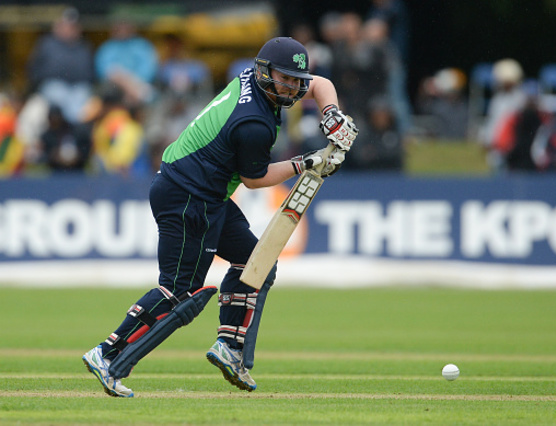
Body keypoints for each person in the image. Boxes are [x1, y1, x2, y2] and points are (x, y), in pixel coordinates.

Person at [81, 37, 358, 398]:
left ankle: (230, 346)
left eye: (295, 79)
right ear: (265, 72)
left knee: (256, 263)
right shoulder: (254, 123)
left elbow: (320, 84)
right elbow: (254, 179)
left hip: (205, 194)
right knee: (181, 293)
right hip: (187, 196)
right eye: (283, 78)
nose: (291, 86)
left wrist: (330, 114)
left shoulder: (253, 81)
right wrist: (306, 162)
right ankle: (107, 354)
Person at [27, 7, 94, 125]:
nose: (69, 29)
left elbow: (90, 73)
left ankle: (73, 136)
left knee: (81, 99)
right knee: (61, 96)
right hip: (53, 85)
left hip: (78, 87)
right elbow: (33, 69)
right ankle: (72, 131)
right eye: (66, 25)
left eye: (73, 26)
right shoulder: (46, 44)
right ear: (57, 26)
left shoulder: (84, 46)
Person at [94, 17, 158, 106]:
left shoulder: (142, 45)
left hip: (138, 83)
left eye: (125, 27)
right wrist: (126, 84)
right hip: (115, 87)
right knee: (116, 73)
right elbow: (104, 71)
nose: (122, 30)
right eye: (120, 27)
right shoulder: (107, 47)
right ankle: (142, 95)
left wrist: (130, 82)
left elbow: (149, 69)